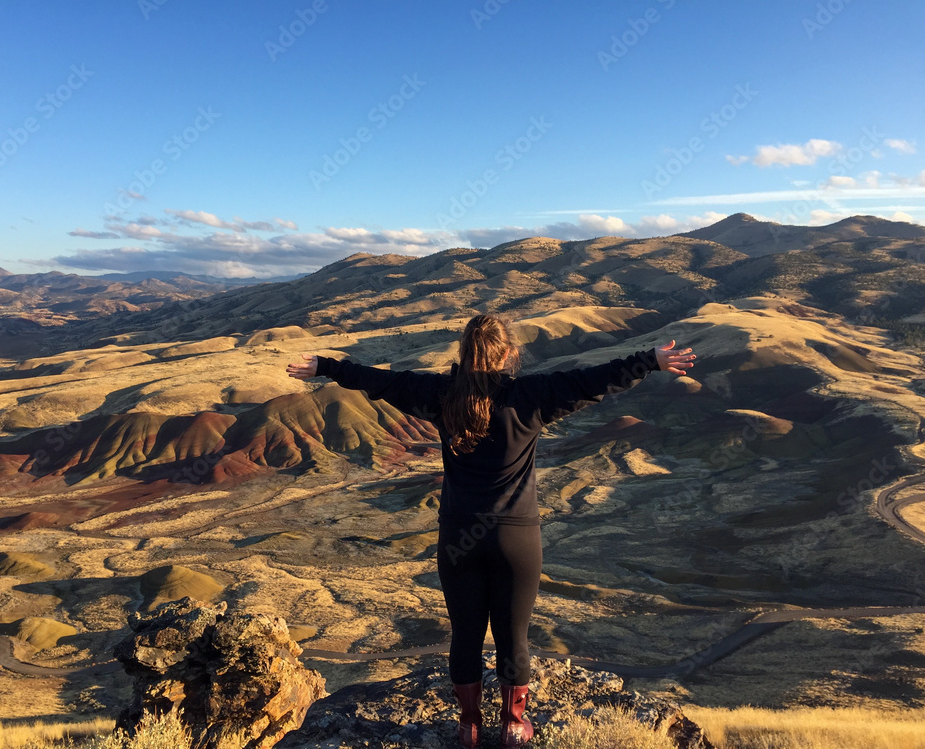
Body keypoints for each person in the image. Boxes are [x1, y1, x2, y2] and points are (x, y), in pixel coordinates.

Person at [287, 314, 695, 748]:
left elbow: (382, 381)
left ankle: (469, 726)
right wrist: (649, 360)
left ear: (463, 353)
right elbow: (592, 380)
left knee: (465, 633)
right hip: (516, 539)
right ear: (509, 354)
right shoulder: (530, 395)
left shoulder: (439, 394)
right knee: (513, 635)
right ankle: (513, 725)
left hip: (459, 538)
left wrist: (326, 366)